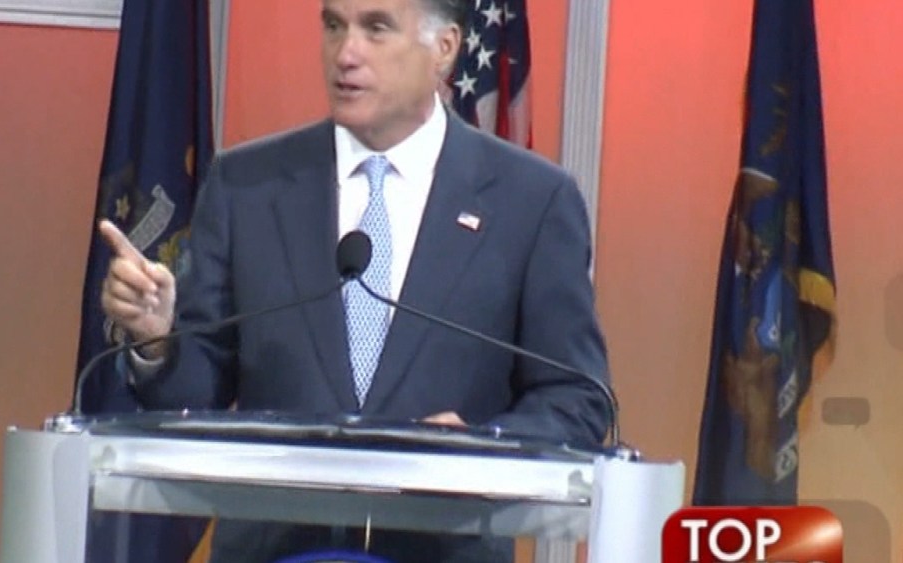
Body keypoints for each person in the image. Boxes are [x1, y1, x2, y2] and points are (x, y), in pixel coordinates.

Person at [98, 0, 610, 560]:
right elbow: (197, 395)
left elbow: (578, 398)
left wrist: (486, 446)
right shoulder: (247, 184)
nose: (346, 54)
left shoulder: (531, 201)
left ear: (444, 49)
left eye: (376, 28)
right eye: (334, 26)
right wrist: (158, 340)